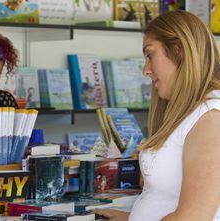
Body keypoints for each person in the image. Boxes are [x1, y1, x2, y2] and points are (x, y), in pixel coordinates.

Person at [95, 10, 220, 221]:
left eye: (150, 54)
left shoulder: (210, 118)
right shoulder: (189, 112)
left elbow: (193, 217)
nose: (146, 70)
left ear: (178, 50)